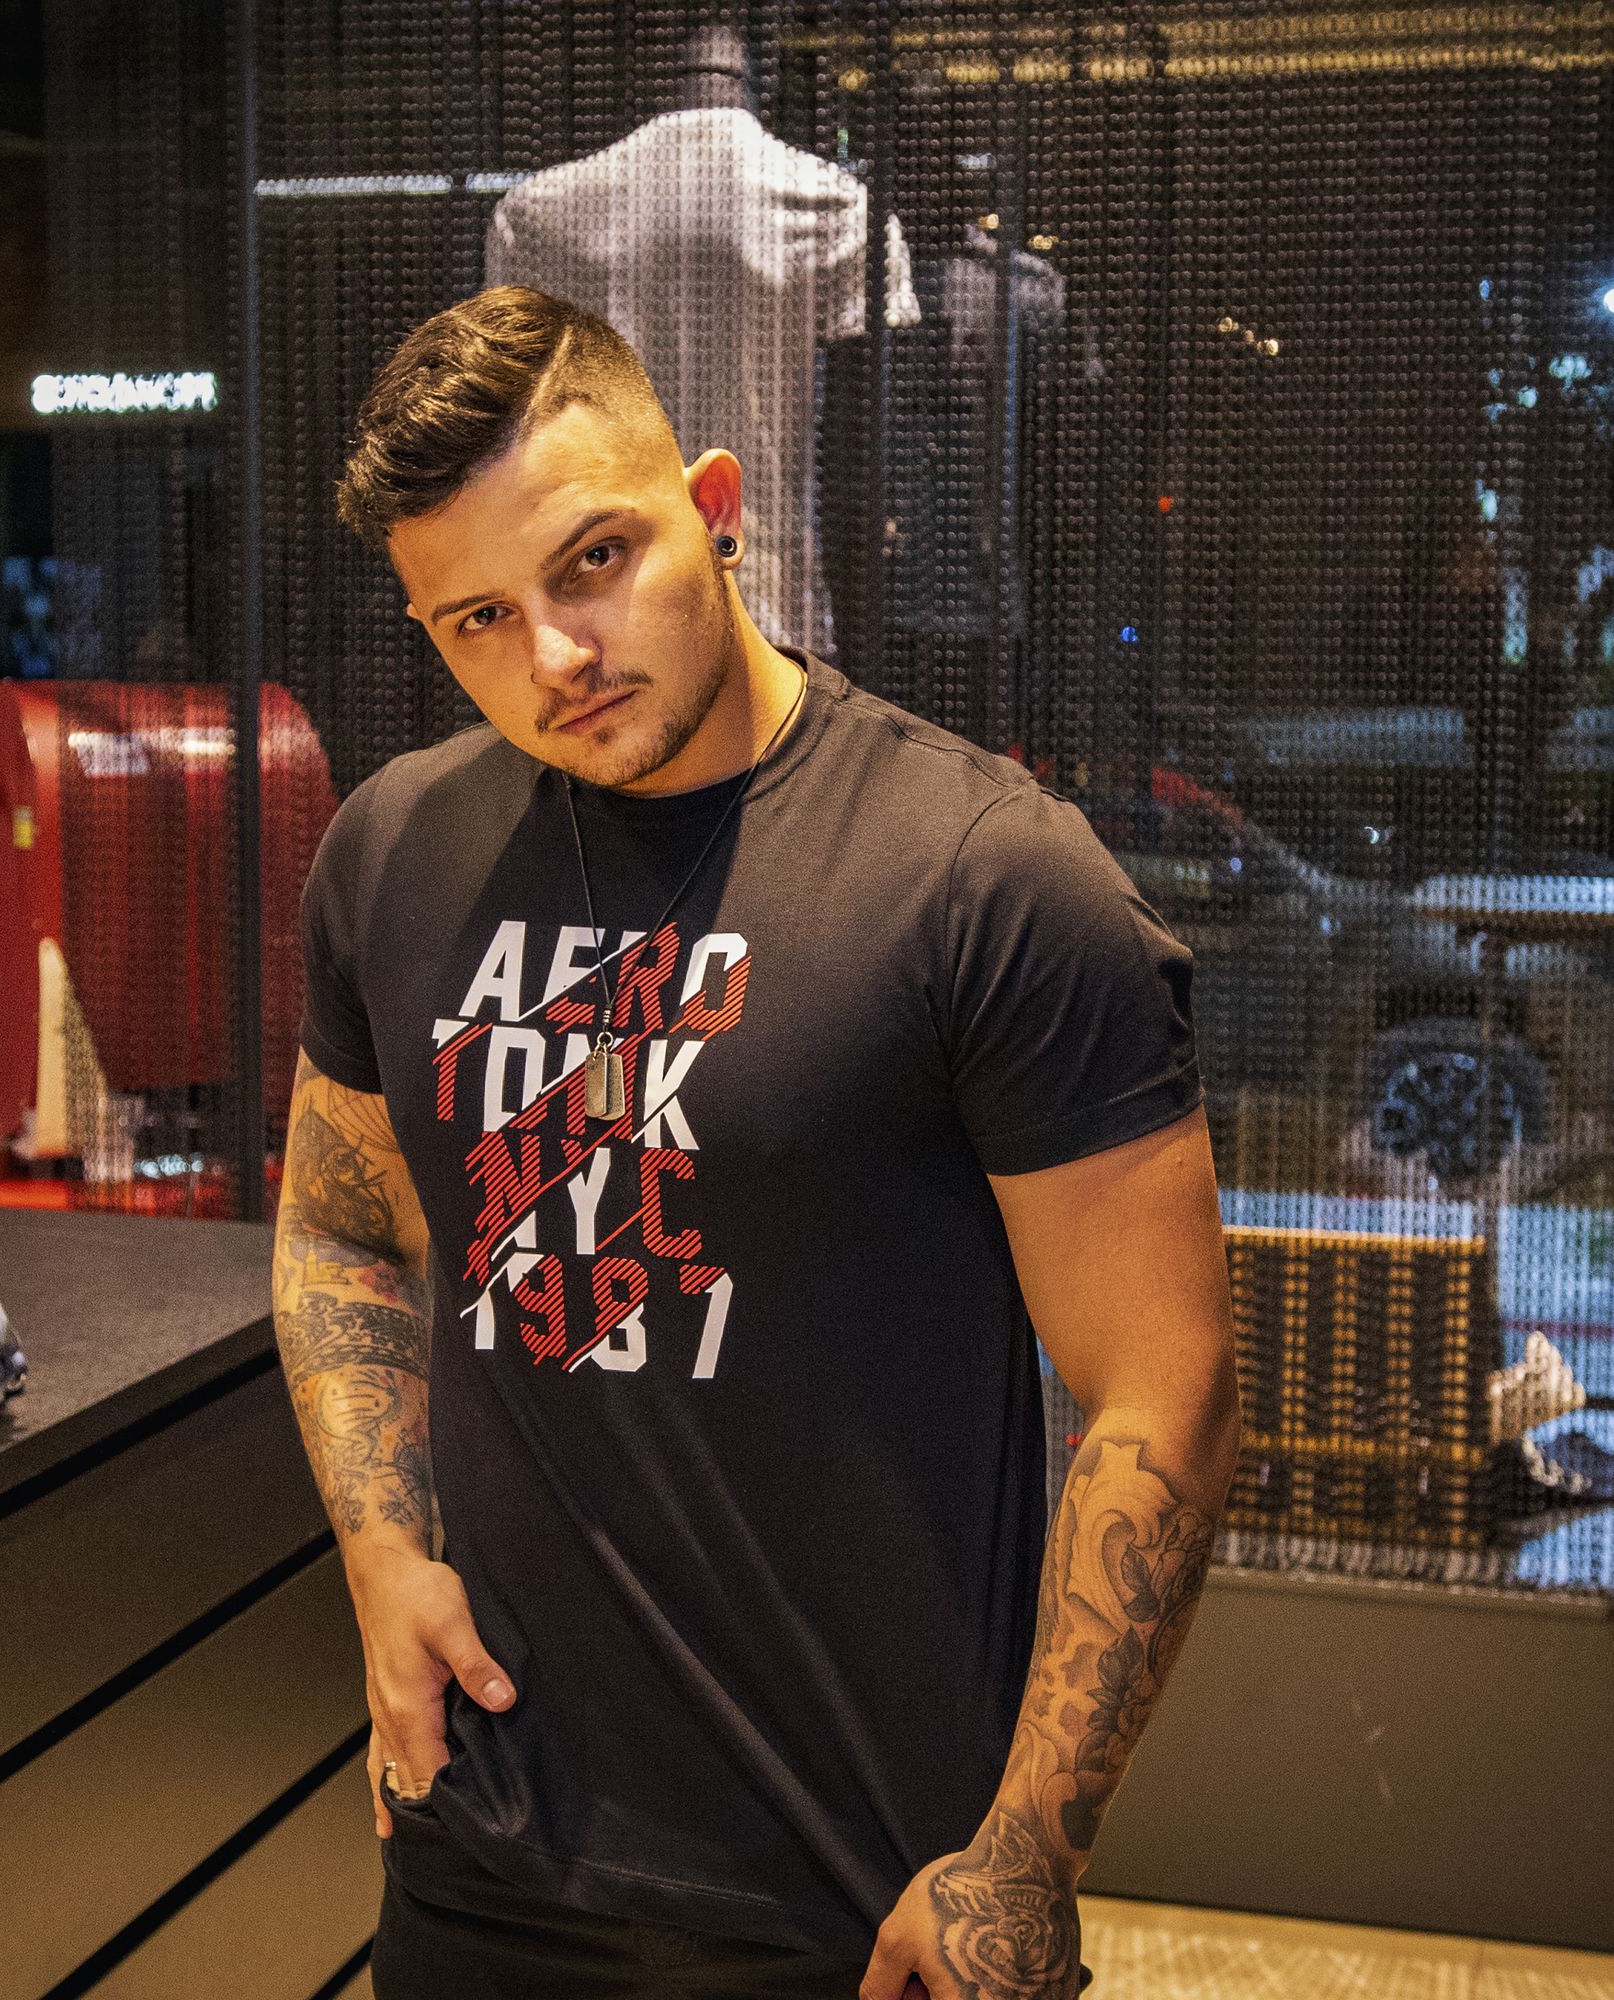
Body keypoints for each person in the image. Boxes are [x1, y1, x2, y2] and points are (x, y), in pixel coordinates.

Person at [274, 284, 1239, 2000]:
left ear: (715, 510)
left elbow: (1164, 1395)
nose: (554, 657)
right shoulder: (395, 852)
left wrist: (1026, 1854)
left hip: (862, 1891)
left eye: (594, 561)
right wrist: (383, 1552)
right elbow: (341, 1225)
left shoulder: (984, 877)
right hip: (485, 1846)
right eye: (479, 617)